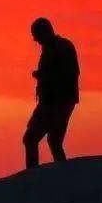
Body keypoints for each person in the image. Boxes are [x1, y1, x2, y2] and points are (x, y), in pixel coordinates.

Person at [23, 17, 79, 169]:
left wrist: (42, 76)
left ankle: (32, 178)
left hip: (55, 103)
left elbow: (67, 75)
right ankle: (59, 177)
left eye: (37, 36)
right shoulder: (55, 48)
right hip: (56, 102)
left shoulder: (61, 48)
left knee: (32, 139)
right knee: (53, 141)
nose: (35, 40)